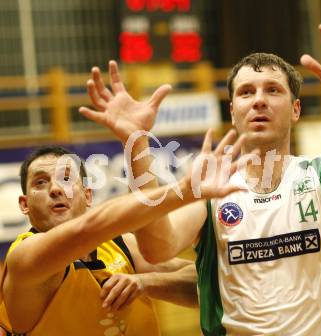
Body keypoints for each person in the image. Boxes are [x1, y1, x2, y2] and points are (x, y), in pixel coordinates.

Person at [83, 24, 321, 335]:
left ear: (295, 109)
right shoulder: (211, 191)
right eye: (246, 92)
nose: (259, 99)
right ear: (232, 111)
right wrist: (136, 141)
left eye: (272, 90)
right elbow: (157, 247)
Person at [0, 66, 247, 334]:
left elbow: (207, 283)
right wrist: (184, 190)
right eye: (40, 183)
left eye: (67, 178)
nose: (56, 189)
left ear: (88, 195)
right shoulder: (24, 259)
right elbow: (91, 227)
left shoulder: (120, 246)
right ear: (24, 204)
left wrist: (147, 282)